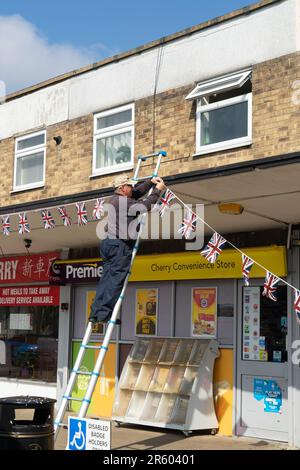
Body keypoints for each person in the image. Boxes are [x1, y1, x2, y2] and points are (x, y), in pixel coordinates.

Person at [89, 174, 165, 323]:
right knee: (116, 279)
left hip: (108, 243)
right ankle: (104, 313)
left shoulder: (116, 200)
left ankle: (96, 312)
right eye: (129, 186)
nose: (132, 188)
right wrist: (157, 190)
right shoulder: (123, 203)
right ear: (122, 188)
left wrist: (149, 183)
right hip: (119, 245)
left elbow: (136, 193)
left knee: (106, 279)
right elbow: (144, 206)